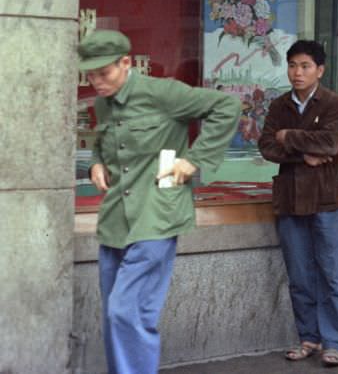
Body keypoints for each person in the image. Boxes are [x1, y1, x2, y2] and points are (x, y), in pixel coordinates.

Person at [80, 29, 240, 374]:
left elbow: (227, 106)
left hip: (156, 215)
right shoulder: (101, 103)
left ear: (126, 63)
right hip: (115, 221)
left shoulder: (163, 92)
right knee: (114, 314)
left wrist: (194, 159)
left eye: (103, 73)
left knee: (128, 311)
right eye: (90, 74)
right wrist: (95, 161)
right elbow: (103, 142)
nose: (96, 81)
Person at [258, 40, 338, 368]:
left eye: (305, 66)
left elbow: (330, 142)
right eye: (293, 65)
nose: (297, 72)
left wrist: (288, 137)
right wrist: (301, 152)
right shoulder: (279, 105)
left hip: (327, 200)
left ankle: (334, 342)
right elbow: (266, 146)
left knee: (333, 274)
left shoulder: (335, 104)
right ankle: (308, 338)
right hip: (291, 199)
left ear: (320, 71)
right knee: (299, 274)